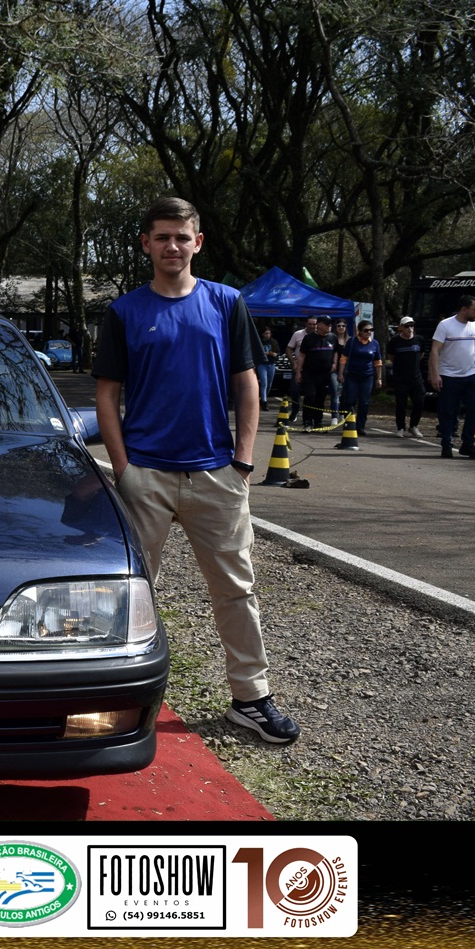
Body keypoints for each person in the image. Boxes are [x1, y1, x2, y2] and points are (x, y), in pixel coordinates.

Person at [93, 196, 300, 744]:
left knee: (236, 590)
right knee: (131, 592)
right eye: (162, 237)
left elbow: (247, 383)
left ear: (198, 243)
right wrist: (123, 468)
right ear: (146, 244)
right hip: (146, 476)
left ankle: (250, 698)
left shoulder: (227, 303)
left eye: (181, 237)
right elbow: (107, 395)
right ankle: (116, 698)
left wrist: (243, 462)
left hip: (216, 474)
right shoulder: (124, 311)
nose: (172, 246)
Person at [428, 294, 475, 459]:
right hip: (449, 376)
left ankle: (468, 444)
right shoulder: (445, 325)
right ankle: (447, 444)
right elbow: (435, 350)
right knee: (448, 411)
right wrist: (435, 374)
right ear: (464, 309)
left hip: (470, 375)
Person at [336, 320, 382, 435]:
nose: (369, 332)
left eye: (371, 330)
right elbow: (344, 358)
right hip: (352, 376)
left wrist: (379, 378)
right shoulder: (352, 342)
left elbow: (377, 362)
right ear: (360, 331)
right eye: (366, 330)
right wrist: (340, 373)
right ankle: (348, 424)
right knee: (350, 400)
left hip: (367, 377)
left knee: (364, 402)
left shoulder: (375, 343)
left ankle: (360, 426)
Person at [387, 316, 427, 438]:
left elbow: (421, 354)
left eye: (411, 326)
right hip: (400, 378)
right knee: (401, 404)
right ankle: (400, 427)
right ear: (401, 327)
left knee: (419, 402)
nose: (409, 328)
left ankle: (413, 425)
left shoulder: (419, 339)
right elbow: (391, 357)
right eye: (406, 326)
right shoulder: (395, 341)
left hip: (416, 378)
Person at [295, 316, 338, 431]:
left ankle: (318, 421)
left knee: (320, 398)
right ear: (319, 325)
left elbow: (335, 351)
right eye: (327, 324)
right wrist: (298, 372)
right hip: (309, 373)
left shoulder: (333, 337)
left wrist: (334, 363)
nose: (329, 326)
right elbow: (302, 356)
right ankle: (307, 421)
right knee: (310, 396)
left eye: (330, 324)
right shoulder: (309, 338)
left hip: (325, 374)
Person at [284, 316, 317, 422]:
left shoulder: (319, 335)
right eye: (310, 324)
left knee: (310, 393)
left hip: (312, 369)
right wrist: (293, 362)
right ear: (306, 324)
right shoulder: (298, 334)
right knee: (294, 390)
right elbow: (288, 349)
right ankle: (295, 410)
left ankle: (309, 415)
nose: (312, 326)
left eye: (314, 324)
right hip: (299, 367)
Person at [330, 319, 351, 422]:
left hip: (347, 370)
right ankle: (334, 416)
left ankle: (342, 413)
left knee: (345, 393)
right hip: (335, 370)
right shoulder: (332, 339)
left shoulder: (350, 340)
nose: (341, 327)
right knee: (335, 392)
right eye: (339, 326)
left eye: (343, 326)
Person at [256, 326, 279, 409]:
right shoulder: (259, 342)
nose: (268, 335)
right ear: (262, 334)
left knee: (269, 384)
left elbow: (278, 352)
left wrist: (275, 354)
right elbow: (256, 353)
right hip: (262, 364)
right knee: (264, 383)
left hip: (271, 364)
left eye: (269, 333)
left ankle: (263, 397)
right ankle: (264, 402)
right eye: (266, 333)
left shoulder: (273, 342)